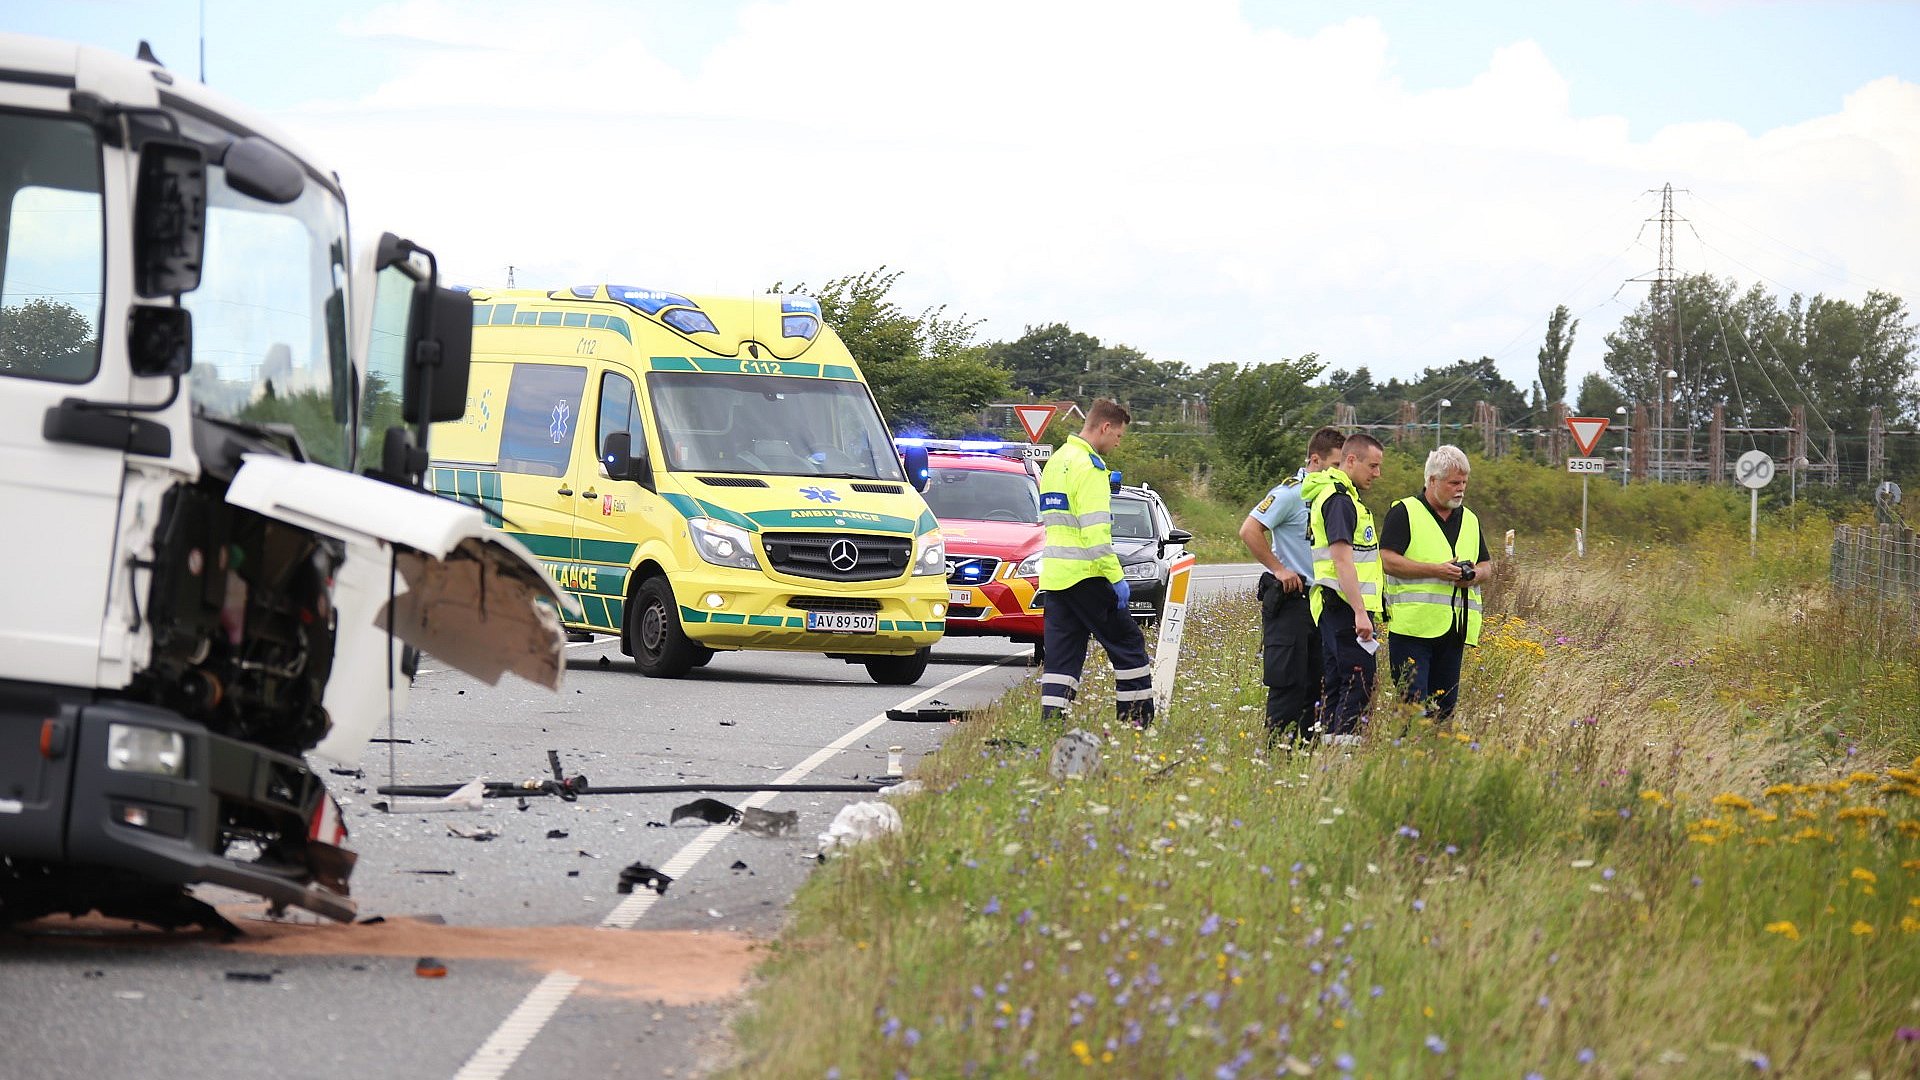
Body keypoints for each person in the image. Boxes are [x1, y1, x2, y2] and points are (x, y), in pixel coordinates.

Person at [1037, 399, 1154, 728]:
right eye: (1119, 435)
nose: (1118, 442)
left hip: (1057, 577)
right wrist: (1117, 578)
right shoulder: (1090, 468)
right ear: (1105, 427)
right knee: (1128, 644)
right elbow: (1096, 535)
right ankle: (1136, 723)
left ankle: (1051, 723)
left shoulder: (1057, 460)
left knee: (1062, 654)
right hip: (1088, 574)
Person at [1238, 426, 1347, 743]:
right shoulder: (1290, 493)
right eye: (1336, 465)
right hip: (1293, 599)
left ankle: (1306, 757)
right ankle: (1276, 756)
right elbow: (1249, 530)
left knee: (1320, 684)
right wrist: (1279, 568)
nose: (1341, 472)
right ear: (1316, 460)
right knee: (1288, 683)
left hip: (1324, 602)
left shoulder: (1335, 498)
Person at [1381, 445, 1491, 724]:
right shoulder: (1404, 512)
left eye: (1464, 483)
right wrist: (1435, 571)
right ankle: (1406, 761)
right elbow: (1386, 560)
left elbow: (1487, 566)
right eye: (1454, 482)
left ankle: (1436, 763)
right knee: (1413, 710)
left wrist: (1473, 575)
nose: (1460, 489)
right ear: (1432, 481)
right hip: (1412, 631)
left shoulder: (1469, 518)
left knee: (1444, 713)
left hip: (1454, 631)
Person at [1302, 433, 1385, 742]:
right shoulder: (1339, 501)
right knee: (1358, 682)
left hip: (1336, 606)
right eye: (1373, 466)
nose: (1377, 474)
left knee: (1338, 684)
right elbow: (1342, 559)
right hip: (1344, 607)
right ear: (1351, 460)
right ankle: (1343, 757)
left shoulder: (1339, 497)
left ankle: (1330, 757)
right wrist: (1361, 613)